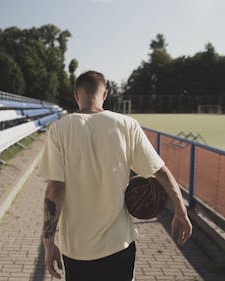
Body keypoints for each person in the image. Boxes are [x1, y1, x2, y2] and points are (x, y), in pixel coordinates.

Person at [37, 70, 192, 281]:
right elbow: (161, 172)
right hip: (118, 245)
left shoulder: (58, 130)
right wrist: (180, 210)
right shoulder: (127, 125)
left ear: (76, 95)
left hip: (76, 249)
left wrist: (48, 242)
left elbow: (55, 190)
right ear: (105, 94)